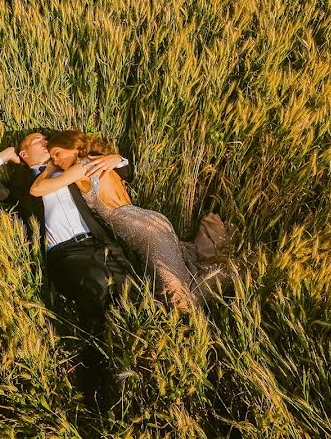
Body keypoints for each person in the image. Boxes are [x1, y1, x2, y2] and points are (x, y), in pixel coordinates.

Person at [0, 130, 135, 411]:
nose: (46, 144)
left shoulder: (72, 168)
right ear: (24, 155)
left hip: (101, 243)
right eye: (37, 142)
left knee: (131, 291)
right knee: (95, 290)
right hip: (66, 255)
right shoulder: (19, 187)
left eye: (47, 140)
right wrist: (5, 155)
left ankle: (134, 365)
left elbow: (125, 171)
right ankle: (97, 389)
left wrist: (117, 159)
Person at [31, 130, 231, 313]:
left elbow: (37, 190)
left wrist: (47, 169)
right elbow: (126, 172)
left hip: (144, 231)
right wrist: (117, 158)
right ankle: (222, 278)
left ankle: (235, 273)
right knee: (172, 283)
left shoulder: (82, 167)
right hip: (146, 222)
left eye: (57, 153)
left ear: (74, 147)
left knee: (179, 298)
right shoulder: (98, 162)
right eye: (52, 157)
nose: (56, 161)